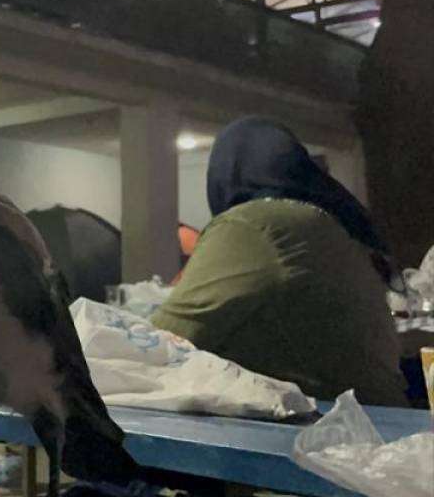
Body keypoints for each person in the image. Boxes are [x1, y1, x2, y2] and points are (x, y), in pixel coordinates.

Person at [151, 116, 408, 406]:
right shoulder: (331, 223)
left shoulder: (256, 223)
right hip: (377, 414)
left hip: (326, 422)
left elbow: (165, 339)